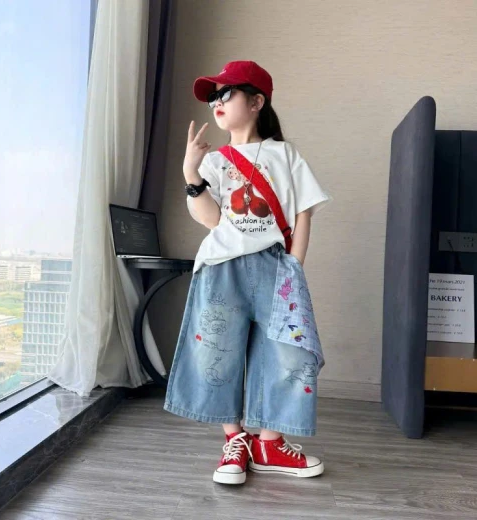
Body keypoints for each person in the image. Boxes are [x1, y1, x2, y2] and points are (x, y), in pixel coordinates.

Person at [164, 60, 331, 485]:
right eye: (212, 97)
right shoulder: (214, 161)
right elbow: (211, 219)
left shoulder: (285, 154)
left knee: (288, 353)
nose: (216, 102)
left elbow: (303, 212)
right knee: (217, 352)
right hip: (221, 268)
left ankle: (269, 444)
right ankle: (235, 440)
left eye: (226, 93)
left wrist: (295, 264)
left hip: (275, 266)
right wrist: (190, 172)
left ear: (256, 102)